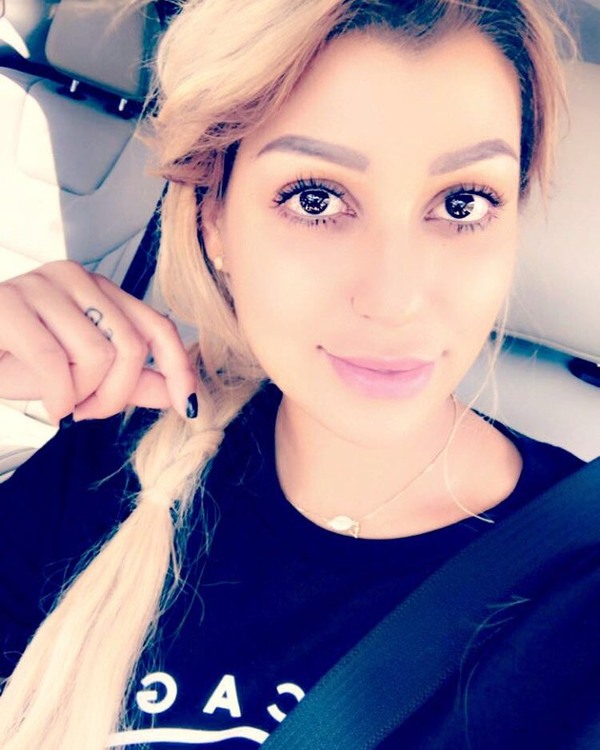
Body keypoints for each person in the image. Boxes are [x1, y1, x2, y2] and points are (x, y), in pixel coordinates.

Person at [0, 0, 598, 748]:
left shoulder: (576, 585)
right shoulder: (106, 469)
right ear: (213, 219)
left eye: (462, 202)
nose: (394, 300)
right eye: (316, 199)